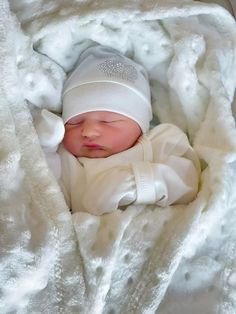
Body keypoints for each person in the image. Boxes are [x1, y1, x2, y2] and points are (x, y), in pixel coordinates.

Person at [35, 44, 201, 215]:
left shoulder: (162, 140)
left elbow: (187, 181)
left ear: (141, 124)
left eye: (108, 121)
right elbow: (49, 200)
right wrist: (46, 150)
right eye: (75, 122)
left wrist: (134, 183)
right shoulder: (67, 160)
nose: (88, 131)